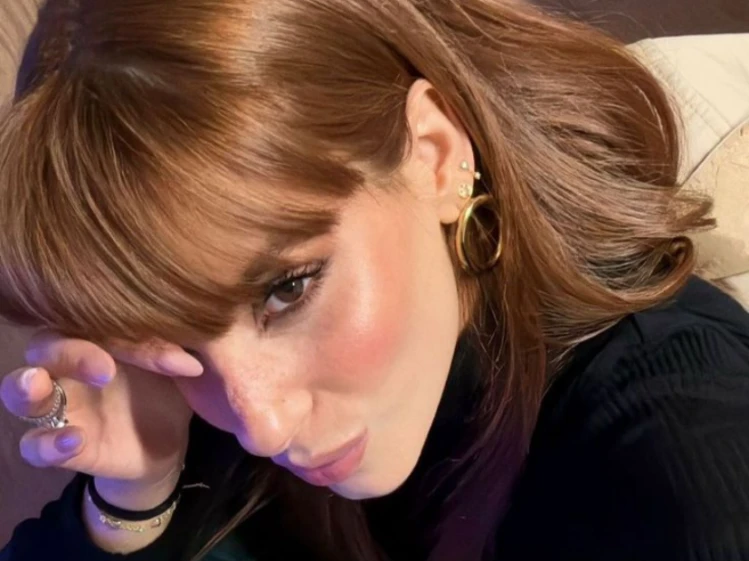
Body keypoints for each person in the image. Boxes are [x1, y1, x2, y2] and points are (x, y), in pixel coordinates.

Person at [0, 0, 748, 560]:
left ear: (435, 154)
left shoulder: (676, 451)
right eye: (175, 345)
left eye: (288, 288)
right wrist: (136, 493)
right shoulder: (213, 392)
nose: (262, 425)